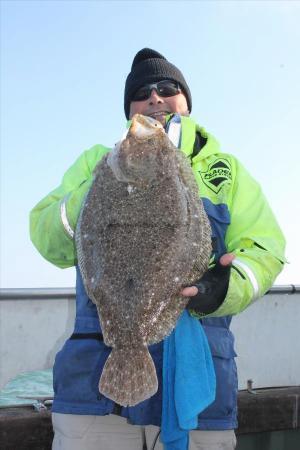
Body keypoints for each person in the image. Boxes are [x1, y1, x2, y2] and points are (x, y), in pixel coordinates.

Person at [30, 48, 286, 450]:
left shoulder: (226, 171)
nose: (155, 97)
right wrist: (99, 189)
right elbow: (47, 238)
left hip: (199, 386)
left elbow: (266, 251)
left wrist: (227, 287)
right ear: (129, 109)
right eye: (142, 92)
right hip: (94, 390)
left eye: (167, 87)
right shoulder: (97, 162)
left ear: (185, 99)